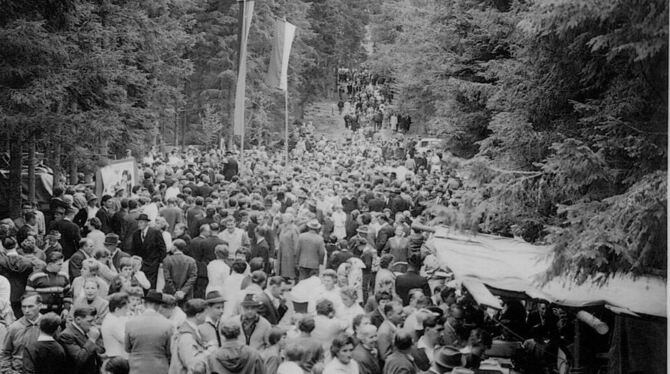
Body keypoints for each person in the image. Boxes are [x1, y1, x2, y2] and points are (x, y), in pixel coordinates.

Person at [124, 290, 174, 374]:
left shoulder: (130, 323)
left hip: (136, 368)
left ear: (144, 303)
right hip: (159, 368)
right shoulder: (168, 324)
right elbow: (169, 350)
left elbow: (127, 348)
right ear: (159, 306)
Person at [0, 294, 43, 372]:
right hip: (18, 370)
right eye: (24, 307)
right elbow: (5, 354)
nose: (26, 310)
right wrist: (8, 371)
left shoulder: (49, 325)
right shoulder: (14, 328)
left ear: (40, 306)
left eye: (30, 306)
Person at [58, 306, 106, 374]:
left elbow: (101, 350)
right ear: (78, 320)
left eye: (94, 320)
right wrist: (92, 339)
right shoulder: (66, 335)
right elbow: (79, 359)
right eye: (90, 321)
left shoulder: (86, 330)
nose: (93, 324)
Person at [169, 299, 208, 374]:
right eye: (205, 314)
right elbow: (194, 366)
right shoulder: (187, 336)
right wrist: (208, 352)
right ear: (198, 315)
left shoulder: (186, 330)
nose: (206, 316)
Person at [129, 214, 167, 289]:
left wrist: (159, 261)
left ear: (147, 223)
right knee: (141, 284)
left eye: (141, 222)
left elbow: (162, 248)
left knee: (151, 285)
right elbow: (133, 249)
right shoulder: (136, 234)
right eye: (139, 222)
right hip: (140, 265)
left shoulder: (155, 232)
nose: (139, 224)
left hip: (152, 264)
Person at [101, 293, 130, 359]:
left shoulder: (113, 318)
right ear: (117, 309)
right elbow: (126, 340)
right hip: (116, 359)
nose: (127, 310)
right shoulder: (112, 322)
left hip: (118, 357)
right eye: (125, 308)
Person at [277, 213, 299, 280]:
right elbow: (278, 236)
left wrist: (295, 255)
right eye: (283, 218)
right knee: (282, 269)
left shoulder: (294, 229)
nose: (283, 220)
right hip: (282, 250)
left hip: (290, 252)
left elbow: (296, 243)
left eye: (285, 218)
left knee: (290, 270)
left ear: (290, 220)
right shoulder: (282, 227)